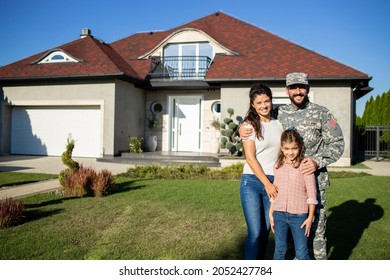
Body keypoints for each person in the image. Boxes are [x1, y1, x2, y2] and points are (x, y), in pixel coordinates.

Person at [239, 72, 344, 260]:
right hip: (286, 185)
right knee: (284, 235)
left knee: (316, 233)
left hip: (314, 184)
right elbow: (255, 120)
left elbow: (338, 143)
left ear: (308, 89)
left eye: (302, 87)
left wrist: (317, 161)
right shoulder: (279, 113)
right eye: (293, 87)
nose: (298, 91)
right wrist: (239, 129)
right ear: (287, 90)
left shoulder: (322, 113)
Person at [239, 83, 283, 260]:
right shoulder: (249, 126)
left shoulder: (279, 124)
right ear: (253, 105)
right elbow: (250, 158)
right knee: (255, 232)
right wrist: (267, 184)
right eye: (259, 102)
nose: (264, 105)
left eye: (267, 101)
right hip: (252, 182)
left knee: (265, 231)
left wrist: (273, 183)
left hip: (273, 181)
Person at [269, 129, 318, 260]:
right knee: (280, 250)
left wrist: (310, 217)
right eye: (287, 148)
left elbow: (312, 194)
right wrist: (271, 213)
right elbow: (275, 191)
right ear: (281, 148)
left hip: (299, 217)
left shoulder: (305, 165)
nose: (290, 152)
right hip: (279, 214)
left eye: (294, 148)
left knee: (301, 252)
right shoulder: (278, 166)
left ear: (300, 147)